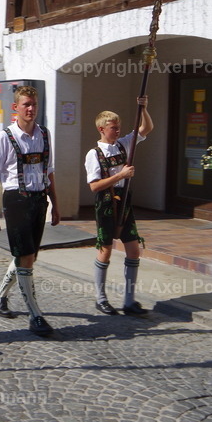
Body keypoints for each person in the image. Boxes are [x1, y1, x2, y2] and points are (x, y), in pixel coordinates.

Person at [0, 86, 60, 337]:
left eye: (34, 104)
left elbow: (49, 172)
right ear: (15, 108)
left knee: (28, 257)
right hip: (16, 199)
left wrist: (56, 205)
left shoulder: (44, 134)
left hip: (39, 200)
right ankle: (35, 315)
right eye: (26, 104)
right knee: (25, 257)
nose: (31, 109)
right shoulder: (5, 137)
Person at [85, 97, 153, 316]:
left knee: (134, 249)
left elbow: (147, 128)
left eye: (119, 128)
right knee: (105, 250)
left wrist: (143, 108)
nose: (117, 131)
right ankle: (101, 298)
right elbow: (94, 187)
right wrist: (121, 175)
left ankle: (129, 301)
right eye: (114, 128)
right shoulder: (95, 154)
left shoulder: (123, 144)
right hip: (106, 202)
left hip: (125, 201)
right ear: (101, 129)